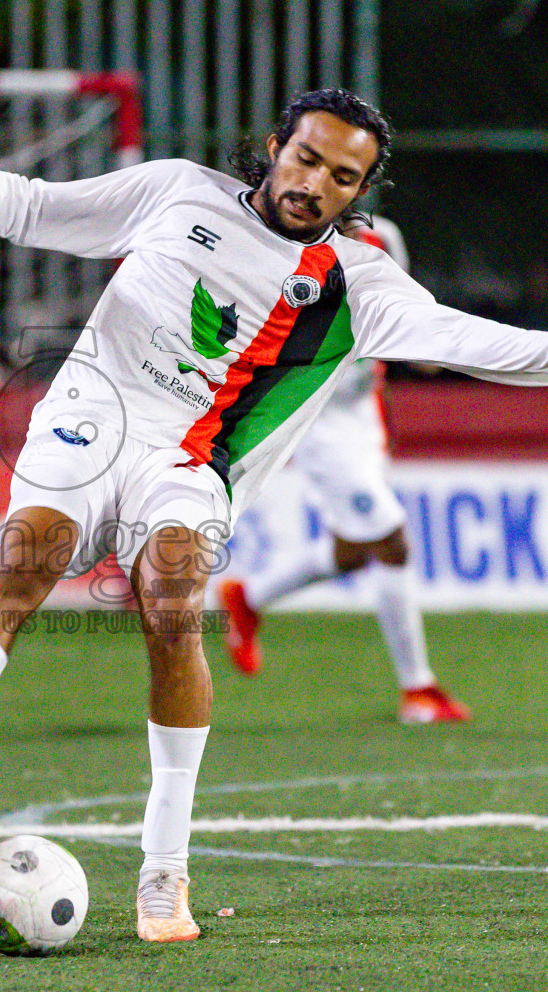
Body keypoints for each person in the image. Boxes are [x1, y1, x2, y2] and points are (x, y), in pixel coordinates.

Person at [0, 89, 548, 943]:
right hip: (91, 416)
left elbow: (459, 338)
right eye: (308, 158)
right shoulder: (178, 191)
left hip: (191, 461)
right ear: (276, 145)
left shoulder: (358, 282)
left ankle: (164, 875)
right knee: (27, 563)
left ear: (359, 193)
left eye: (344, 177)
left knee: (173, 609)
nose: (317, 183)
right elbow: (41, 208)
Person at [217, 215, 471, 725]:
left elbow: (399, 307)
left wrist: (424, 343)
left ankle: (249, 597)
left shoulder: (386, 235)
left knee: (354, 551)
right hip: (317, 416)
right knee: (391, 541)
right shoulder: (278, 239)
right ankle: (418, 689)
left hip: (364, 411)